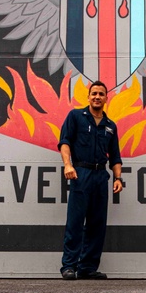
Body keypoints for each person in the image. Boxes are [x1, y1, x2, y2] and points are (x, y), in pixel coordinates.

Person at [58, 81, 123, 280]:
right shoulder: (76, 116)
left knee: (97, 224)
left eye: (101, 94)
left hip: (100, 177)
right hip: (81, 174)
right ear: (88, 97)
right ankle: (69, 266)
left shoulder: (110, 126)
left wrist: (118, 178)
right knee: (76, 222)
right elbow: (64, 142)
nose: (97, 97)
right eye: (94, 93)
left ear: (106, 98)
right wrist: (68, 165)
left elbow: (115, 156)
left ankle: (87, 267)